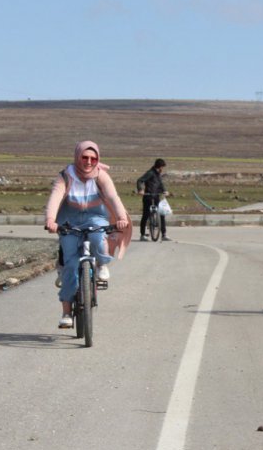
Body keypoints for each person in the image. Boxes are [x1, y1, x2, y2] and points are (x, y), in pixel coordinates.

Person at [45, 141, 131, 329]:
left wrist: (122, 217)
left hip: (96, 217)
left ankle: (101, 263)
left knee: (97, 239)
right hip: (69, 220)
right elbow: (55, 197)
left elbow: (112, 197)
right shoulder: (65, 177)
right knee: (70, 266)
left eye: (93, 158)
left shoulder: (101, 176)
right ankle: (66, 312)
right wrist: (51, 219)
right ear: (77, 157)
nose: (89, 162)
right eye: (85, 157)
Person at [136, 158, 171, 241]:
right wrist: (140, 189)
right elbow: (140, 180)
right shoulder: (150, 173)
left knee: (161, 214)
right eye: (162, 167)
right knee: (146, 215)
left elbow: (160, 184)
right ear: (160, 167)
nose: (163, 169)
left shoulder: (158, 174)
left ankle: (164, 235)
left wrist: (165, 191)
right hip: (148, 196)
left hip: (156, 197)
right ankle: (142, 235)